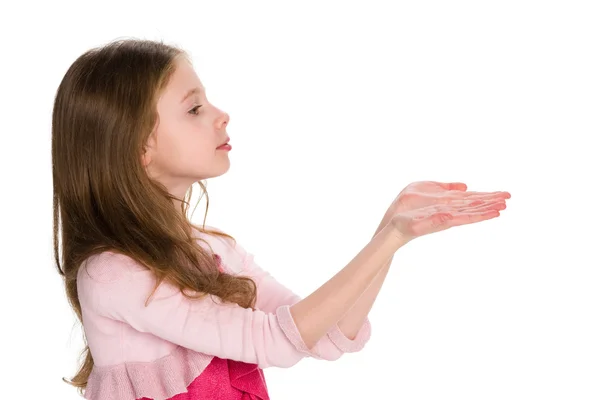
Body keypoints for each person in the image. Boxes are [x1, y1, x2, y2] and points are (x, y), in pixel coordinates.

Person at [52, 38, 511, 400]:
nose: (221, 115)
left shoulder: (211, 249)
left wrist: (392, 231)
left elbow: (325, 334)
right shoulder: (113, 273)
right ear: (139, 147)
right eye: (194, 109)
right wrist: (387, 240)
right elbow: (275, 342)